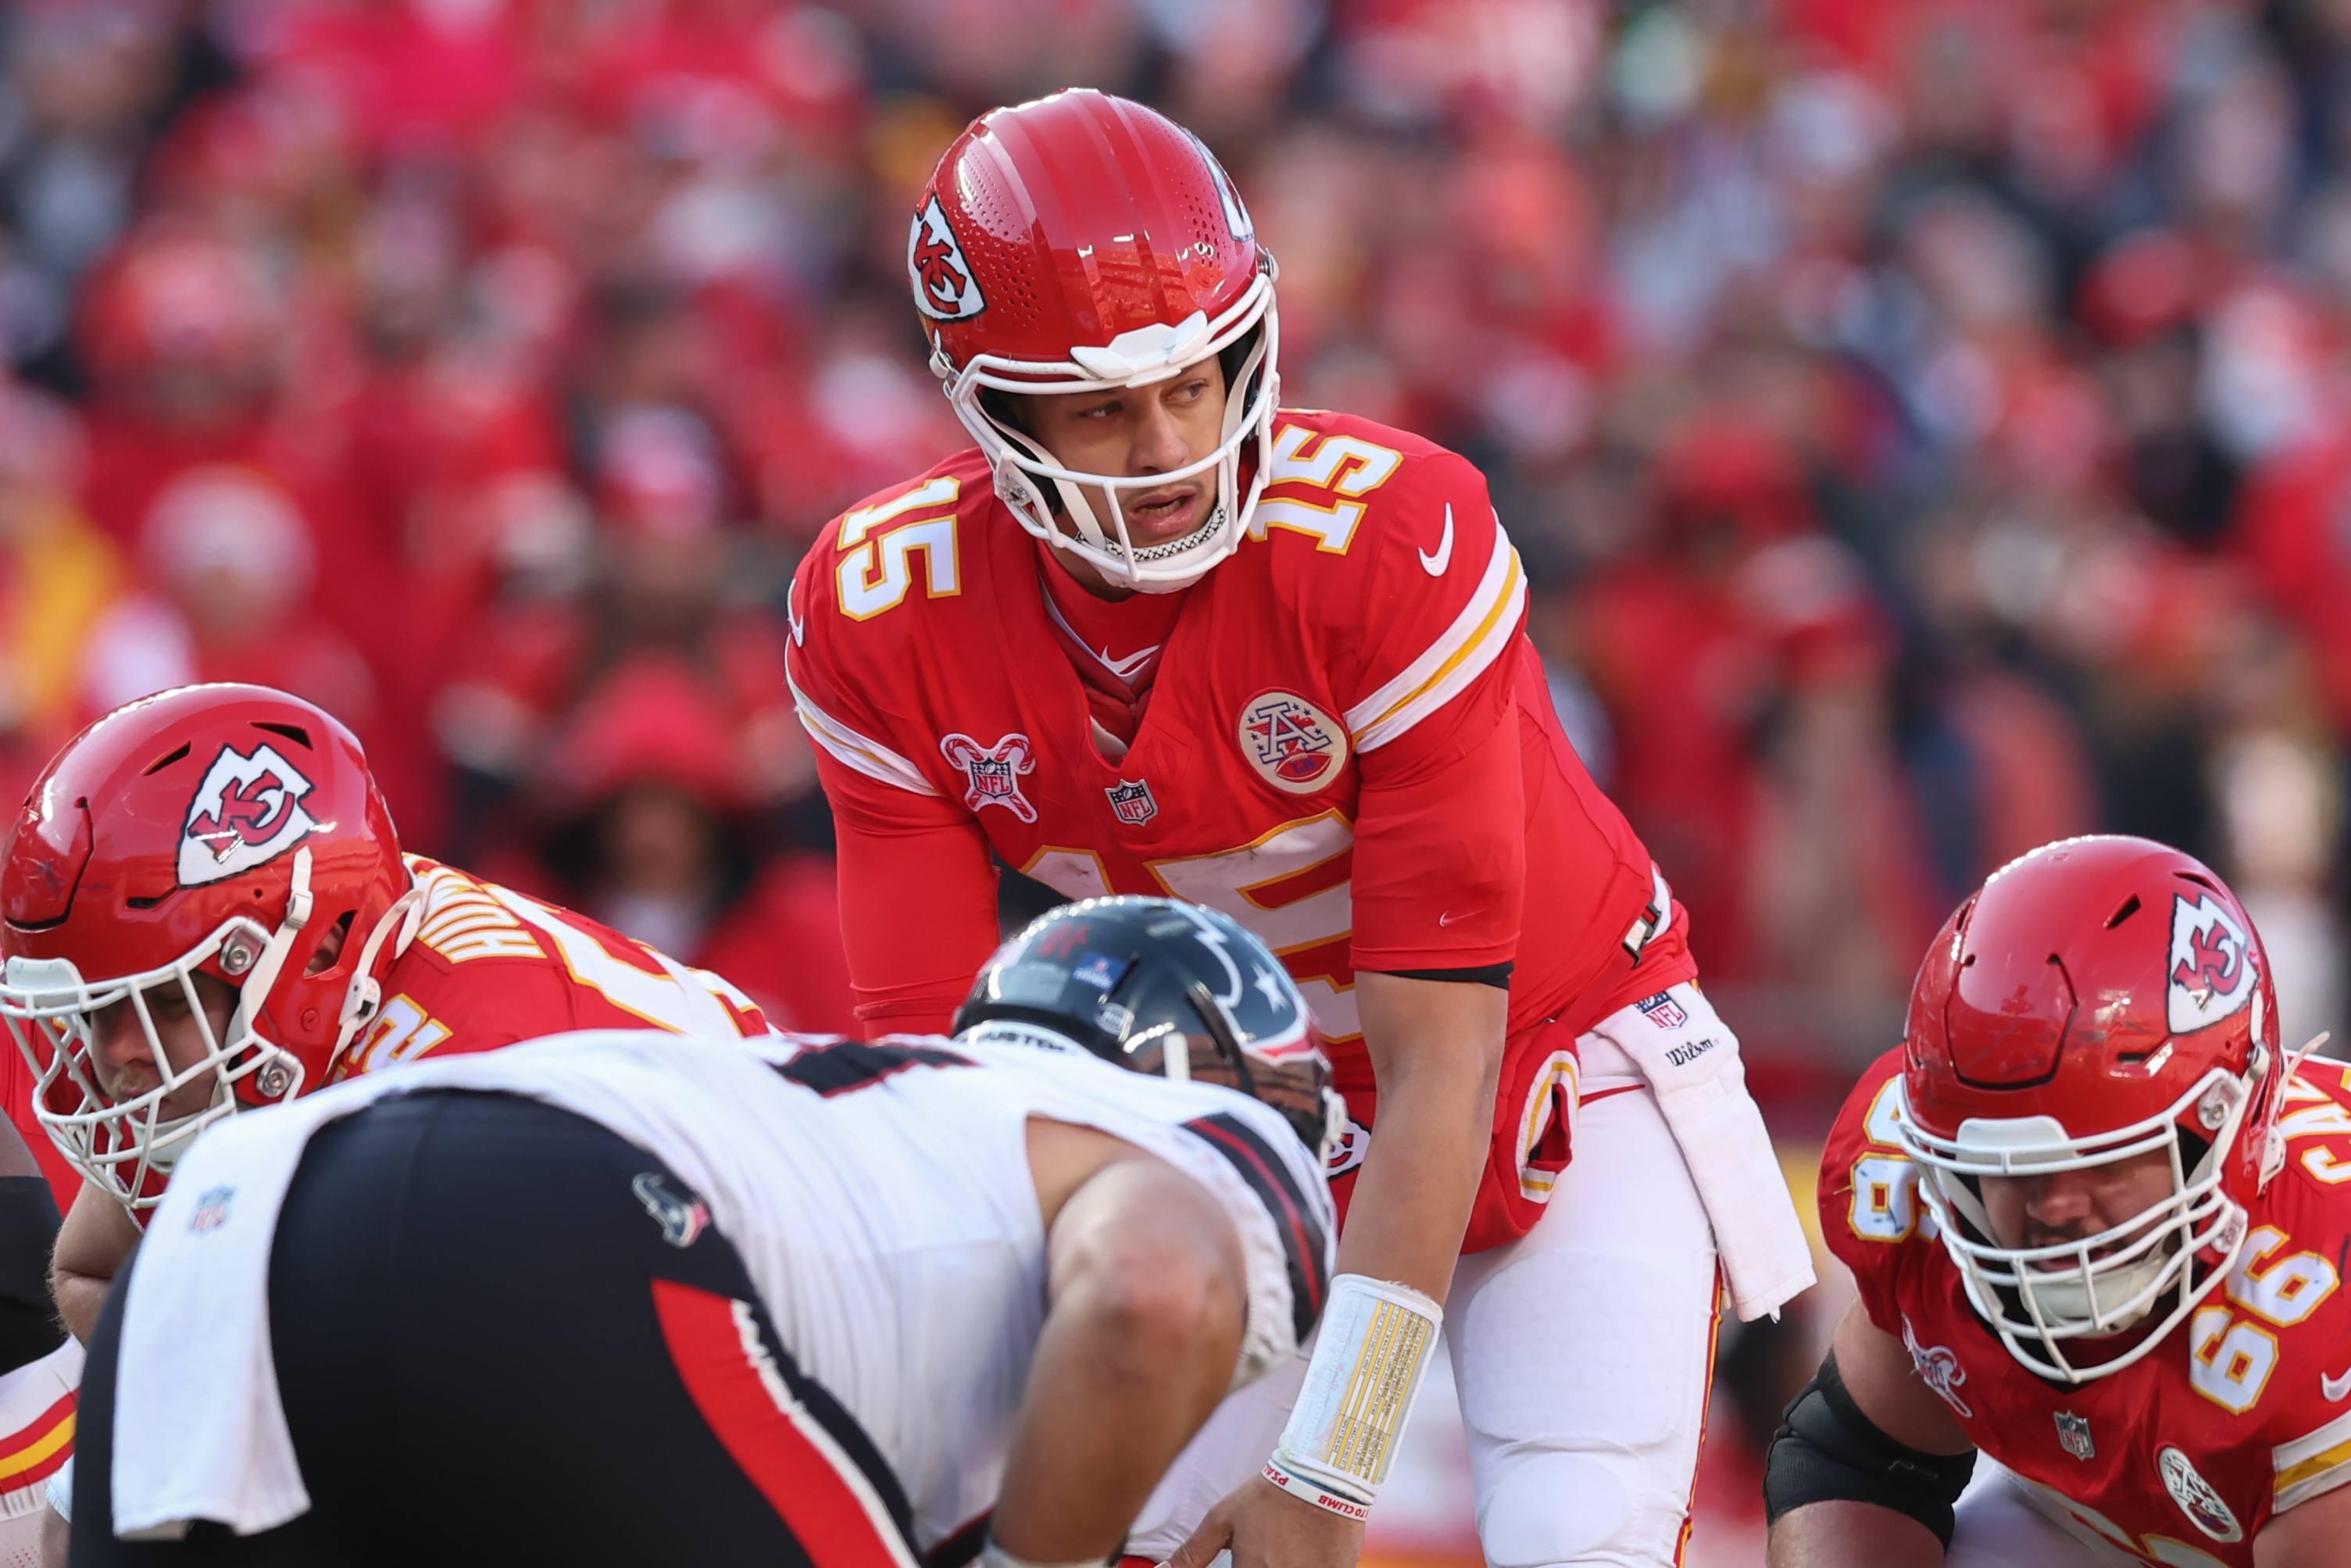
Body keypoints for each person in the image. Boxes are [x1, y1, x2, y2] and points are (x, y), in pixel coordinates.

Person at [785, 88, 1814, 1568]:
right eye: (1099, 406)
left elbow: (1436, 1067)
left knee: (1576, 1528)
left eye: (1195, 384)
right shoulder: (882, 614)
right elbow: (931, 1097)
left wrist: (1330, 1471)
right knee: (1090, 1527)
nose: (1164, 449)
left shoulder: (1389, 542)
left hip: (1545, 1059)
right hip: (1224, 1108)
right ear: (987, 407)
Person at [67, 896, 1336, 1567]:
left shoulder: (888, 1117)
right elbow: (1158, 1285)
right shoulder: (1181, 1136)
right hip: (571, 1229)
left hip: (226, 1224)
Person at [0, 683, 788, 1555]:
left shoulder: (467, 1110)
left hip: (782, 1360)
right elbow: (93, 1271)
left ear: (319, 950)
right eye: (93, 1014)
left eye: (153, 1003)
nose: (115, 1058)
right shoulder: (338, 971)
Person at [1770, 835, 2351, 1568]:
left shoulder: (2316, 1312)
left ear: (2224, 1122)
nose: (2055, 1207)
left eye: (2103, 1159)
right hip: (2096, 1528)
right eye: (2009, 1168)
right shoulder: (1927, 1204)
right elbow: (1857, 1459)